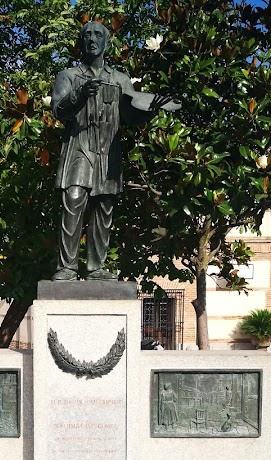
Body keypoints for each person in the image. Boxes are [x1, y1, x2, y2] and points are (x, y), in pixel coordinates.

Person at [51, 21, 176, 281]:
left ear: (106, 43)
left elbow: (130, 115)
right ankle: (67, 267)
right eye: (87, 35)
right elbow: (58, 111)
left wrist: (152, 109)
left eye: (98, 35)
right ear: (81, 42)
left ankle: (96, 267)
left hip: (108, 150)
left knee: (104, 206)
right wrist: (79, 95)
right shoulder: (69, 76)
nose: (92, 39)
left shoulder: (120, 79)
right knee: (74, 198)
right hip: (80, 145)